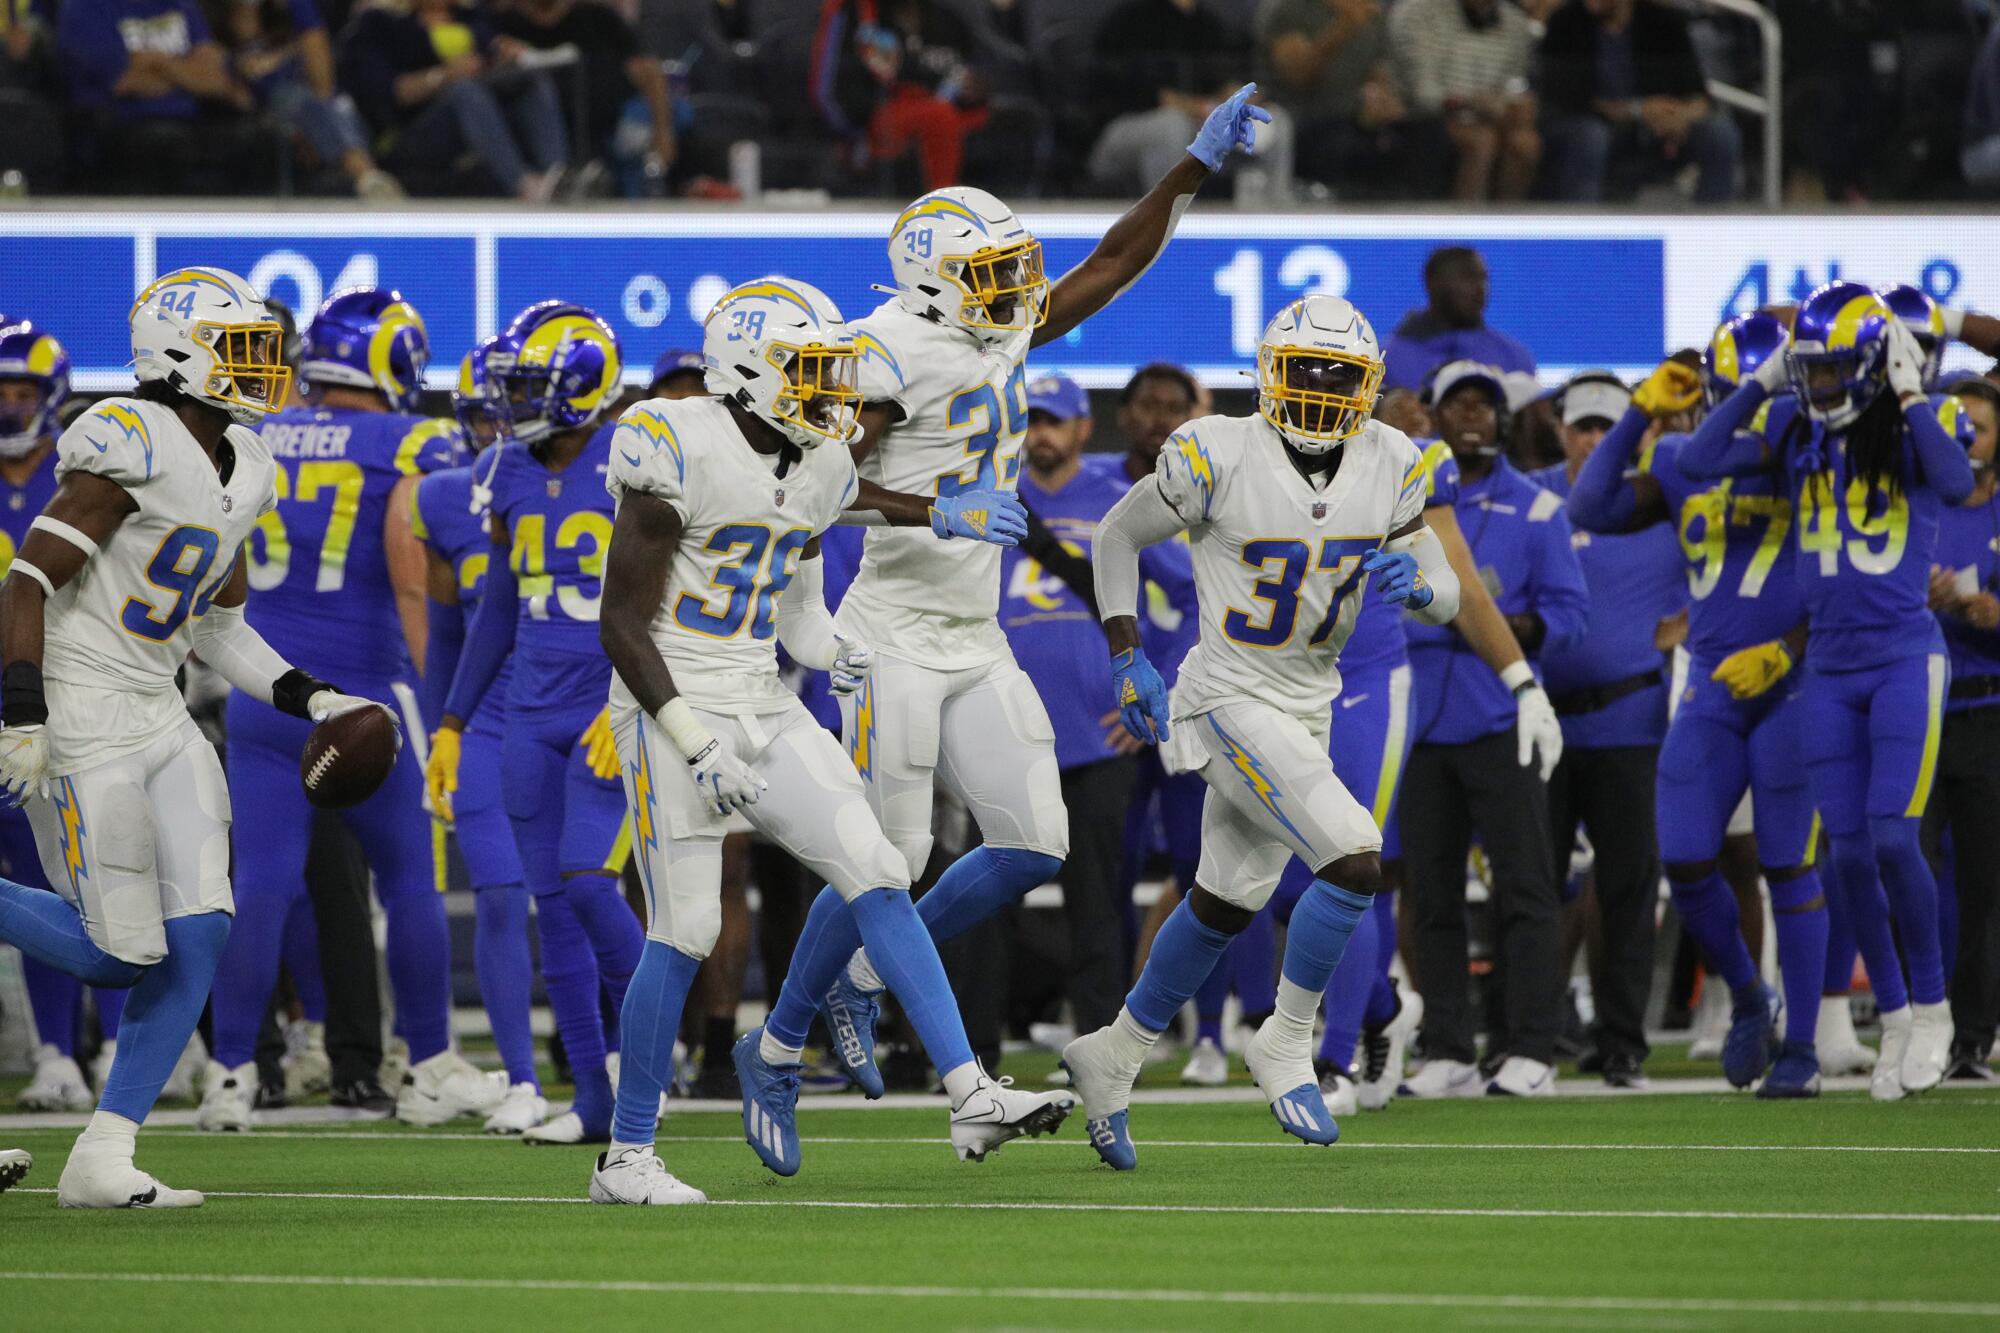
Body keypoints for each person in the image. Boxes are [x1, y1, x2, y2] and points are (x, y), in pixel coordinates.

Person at [748, 88, 1272, 1110]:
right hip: (890, 631)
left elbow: (1113, 261)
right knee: (887, 859)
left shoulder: (989, 327)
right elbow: (809, 489)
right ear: (929, 283)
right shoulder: (885, 350)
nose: (1011, 291)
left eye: (1009, 271)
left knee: (1032, 841)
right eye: (987, 275)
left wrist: (1194, 166)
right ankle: (777, 1040)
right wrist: (928, 508)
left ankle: (856, 980)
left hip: (972, 631)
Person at [589, 276, 1073, 1201]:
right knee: (687, 927)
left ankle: (969, 1090)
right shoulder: (673, 439)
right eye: (807, 369)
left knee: (880, 867)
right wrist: (693, 743)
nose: (829, 390)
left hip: (761, 696)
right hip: (669, 703)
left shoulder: (819, 463)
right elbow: (621, 625)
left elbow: (799, 616)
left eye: (829, 369)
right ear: (742, 372)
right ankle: (628, 1155)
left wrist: (839, 653)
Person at [0, 265, 390, 1206]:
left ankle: (105, 1153)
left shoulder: (247, 463)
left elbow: (219, 625)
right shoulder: (126, 435)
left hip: (160, 703)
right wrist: (20, 712)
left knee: (205, 925)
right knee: (117, 949)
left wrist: (315, 698)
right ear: (176, 355)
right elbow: (28, 583)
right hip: (81, 701)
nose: (263, 367)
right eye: (241, 349)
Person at [1061, 293, 1460, 1167]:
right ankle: (1286, 1036)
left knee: (1224, 900)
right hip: (1227, 695)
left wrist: (1421, 585)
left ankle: (1114, 1052)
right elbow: (1117, 537)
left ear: (1369, 386)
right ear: (1269, 373)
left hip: (1308, 701)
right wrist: (1128, 653)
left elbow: (1448, 589)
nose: (1319, 387)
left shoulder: (1393, 457)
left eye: (1338, 374)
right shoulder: (1215, 449)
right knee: (1355, 854)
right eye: (1304, 369)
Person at [200, 288, 484, 1132]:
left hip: (263, 691)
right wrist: (445, 709)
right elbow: (417, 581)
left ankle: (230, 1078)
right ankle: (429, 1063)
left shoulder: (253, 434)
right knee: (410, 883)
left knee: (258, 888)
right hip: (368, 694)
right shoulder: (411, 440)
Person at [1681, 282, 1973, 1100]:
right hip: (1828, 669)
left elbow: (1953, 480)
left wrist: (1912, 390)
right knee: (1844, 856)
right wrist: (1762, 380)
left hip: (1903, 656)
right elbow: (1697, 460)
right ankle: (1897, 1015)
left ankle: (1934, 1005)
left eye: (1841, 369)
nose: (1826, 385)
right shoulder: (1797, 422)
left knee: (1889, 838)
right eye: (1814, 370)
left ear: (1881, 365)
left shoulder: (1922, 421)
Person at [1569, 316, 1832, 1097]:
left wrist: (1791, 646)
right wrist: (1638, 416)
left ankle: (1806, 1048)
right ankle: (1752, 997)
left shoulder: (1814, 456)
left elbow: (1847, 576)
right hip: (1713, 682)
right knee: (1684, 858)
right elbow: (1590, 505)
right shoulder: (1686, 458)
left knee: (1787, 860)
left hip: (1791, 680)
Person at [425, 300, 646, 1145]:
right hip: (527, 712)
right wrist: (452, 720)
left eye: (529, 387)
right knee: (552, 909)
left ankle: (649, 1070)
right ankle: (592, 1098)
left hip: (605, 704)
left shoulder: (637, 458)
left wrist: (630, 695)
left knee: (591, 883)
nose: (512, 404)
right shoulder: (506, 471)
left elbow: (666, 597)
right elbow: (499, 611)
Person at [1399, 359, 1588, 1098]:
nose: (1471, 414)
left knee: (1525, 885)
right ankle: (1447, 1042)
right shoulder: (1403, 501)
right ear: (1436, 419)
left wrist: (1504, 627)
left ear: (1504, 420)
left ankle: (1531, 1043)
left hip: (1500, 718)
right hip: (1422, 722)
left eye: (1484, 403)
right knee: (1431, 890)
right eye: (1456, 404)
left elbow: (1572, 619)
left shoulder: (1539, 511)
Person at [997, 372, 1179, 1045]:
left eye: (1054, 419)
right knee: (988, 903)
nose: (1040, 432)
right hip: (1000, 736)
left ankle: (1105, 1047)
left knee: (1099, 905)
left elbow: (1193, 596)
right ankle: (973, 1052)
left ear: (1082, 428)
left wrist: (1160, 684)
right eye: (1031, 419)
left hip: (1099, 737)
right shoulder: (985, 495)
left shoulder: (1120, 501)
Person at [1529, 370, 1685, 1087]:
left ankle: (1620, 1042)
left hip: (1630, 721)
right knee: (1530, 886)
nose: (1594, 439)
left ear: (1641, 430)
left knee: (1627, 887)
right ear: (1560, 428)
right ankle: (1524, 1039)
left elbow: (1739, 567)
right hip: (1538, 720)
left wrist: (1698, 622)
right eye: (1583, 426)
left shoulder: (1667, 497)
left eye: (1608, 426)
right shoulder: (1525, 496)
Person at [410, 336, 547, 1133]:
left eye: (510, 414)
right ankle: (524, 1077)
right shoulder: (442, 500)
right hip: (491, 717)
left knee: (587, 899)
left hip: (583, 707)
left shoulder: (600, 477)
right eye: (483, 419)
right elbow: (452, 635)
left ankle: (624, 1061)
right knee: (500, 893)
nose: (500, 431)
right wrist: (441, 730)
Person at [0, 319, 128, 1115]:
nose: (10, 407)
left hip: (69, 700)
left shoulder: (82, 477)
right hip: (11, 706)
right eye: (0, 393)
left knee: (95, 878)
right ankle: (53, 1050)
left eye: (21, 392)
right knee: (29, 882)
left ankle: (119, 1040)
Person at [1921, 375, 2000, 1081]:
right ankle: (1917, 1020)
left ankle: (1972, 1034)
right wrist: (1916, 595)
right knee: (1908, 862)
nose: (1969, 439)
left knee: (1986, 879)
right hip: (1914, 708)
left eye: (1979, 424)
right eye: (1958, 425)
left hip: (1988, 709)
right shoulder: (1915, 507)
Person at [338, 0, 567, 201]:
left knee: (532, 82)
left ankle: (556, 175)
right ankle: (521, 184)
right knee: (463, 91)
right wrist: (444, 75)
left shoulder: (471, 15)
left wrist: (506, 56)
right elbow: (384, 93)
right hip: (409, 131)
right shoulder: (379, 21)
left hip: (480, 116)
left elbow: (490, 52)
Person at [57, 0, 276, 193]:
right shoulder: (85, 7)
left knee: (263, 138)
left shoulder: (180, 5)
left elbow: (215, 77)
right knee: (170, 146)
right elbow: (125, 81)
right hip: (123, 123)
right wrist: (189, 74)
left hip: (194, 118)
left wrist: (157, 62)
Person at [1538, 0, 1740, 204]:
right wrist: (1638, 110)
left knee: (1719, 132)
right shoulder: (1565, 23)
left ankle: (1712, 228)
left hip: (1657, 129)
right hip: (1591, 126)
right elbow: (1565, 99)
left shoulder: (1663, 22)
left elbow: (1697, 94)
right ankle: (1582, 227)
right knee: (1590, 136)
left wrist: (1679, 116)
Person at [211, 0, 403, 199]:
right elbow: (235, 76)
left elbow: (324, 85)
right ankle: (366, 175)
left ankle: (366, 179)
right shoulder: (219, 15)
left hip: (319, 107)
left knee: (331, 105)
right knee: (296, 99)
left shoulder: (295, 8)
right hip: (269, 108)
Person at [1256, 0, 1446, 197]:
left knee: (1430, 133)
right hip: (1306, 122)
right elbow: (1297, 77)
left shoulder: (1370, 10)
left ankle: (1424, 220)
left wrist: (1383, 99)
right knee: (1345, 145)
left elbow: (1378, 71)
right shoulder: (1288, 8)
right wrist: (1345, 25)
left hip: (1359, 119)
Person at [495, 0, 676, 198]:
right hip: (531, 137)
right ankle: (555, 178)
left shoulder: (597, 17)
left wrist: (663, 131)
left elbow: (647, 69)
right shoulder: (506, 23)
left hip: (606, 126)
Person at [811, 0, 991, 192]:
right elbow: (828, 87)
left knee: (989, 119)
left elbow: (976, 70)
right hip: (880, 116)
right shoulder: (860, 14)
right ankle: (942, 206)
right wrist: (853, 135)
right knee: (938, 116)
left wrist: (977, 89)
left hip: (950, 108)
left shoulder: (948, 18)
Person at [1085, 0, 1260, 196]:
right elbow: (1137, 93)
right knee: (1172, 125)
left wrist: (1239, 95)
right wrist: (1198, 107)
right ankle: (1167, 220)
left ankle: (1269, 218)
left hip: (1198, 124)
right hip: (1122, 131)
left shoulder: (1208, 24)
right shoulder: (1130, 20)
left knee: (1269, 120)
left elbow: (1222, 85)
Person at [1387, 0, 1539, 201]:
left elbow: (1514, 83)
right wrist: (1470, 103)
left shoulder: (1515, 23)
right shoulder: (1417, 12)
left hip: (1490, 115)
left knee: (1525, 143)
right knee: (1481, 141)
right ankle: (1465, 225)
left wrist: (1515, 103)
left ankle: (1508, 224)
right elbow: (1421, 94)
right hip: (1423, 116)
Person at [1381, 246, 1536, 397]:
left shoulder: (1514, 357)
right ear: (1433, 282)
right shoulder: (1389, 360)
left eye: (1483, 278)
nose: (1479, 288)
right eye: (1467, 278)